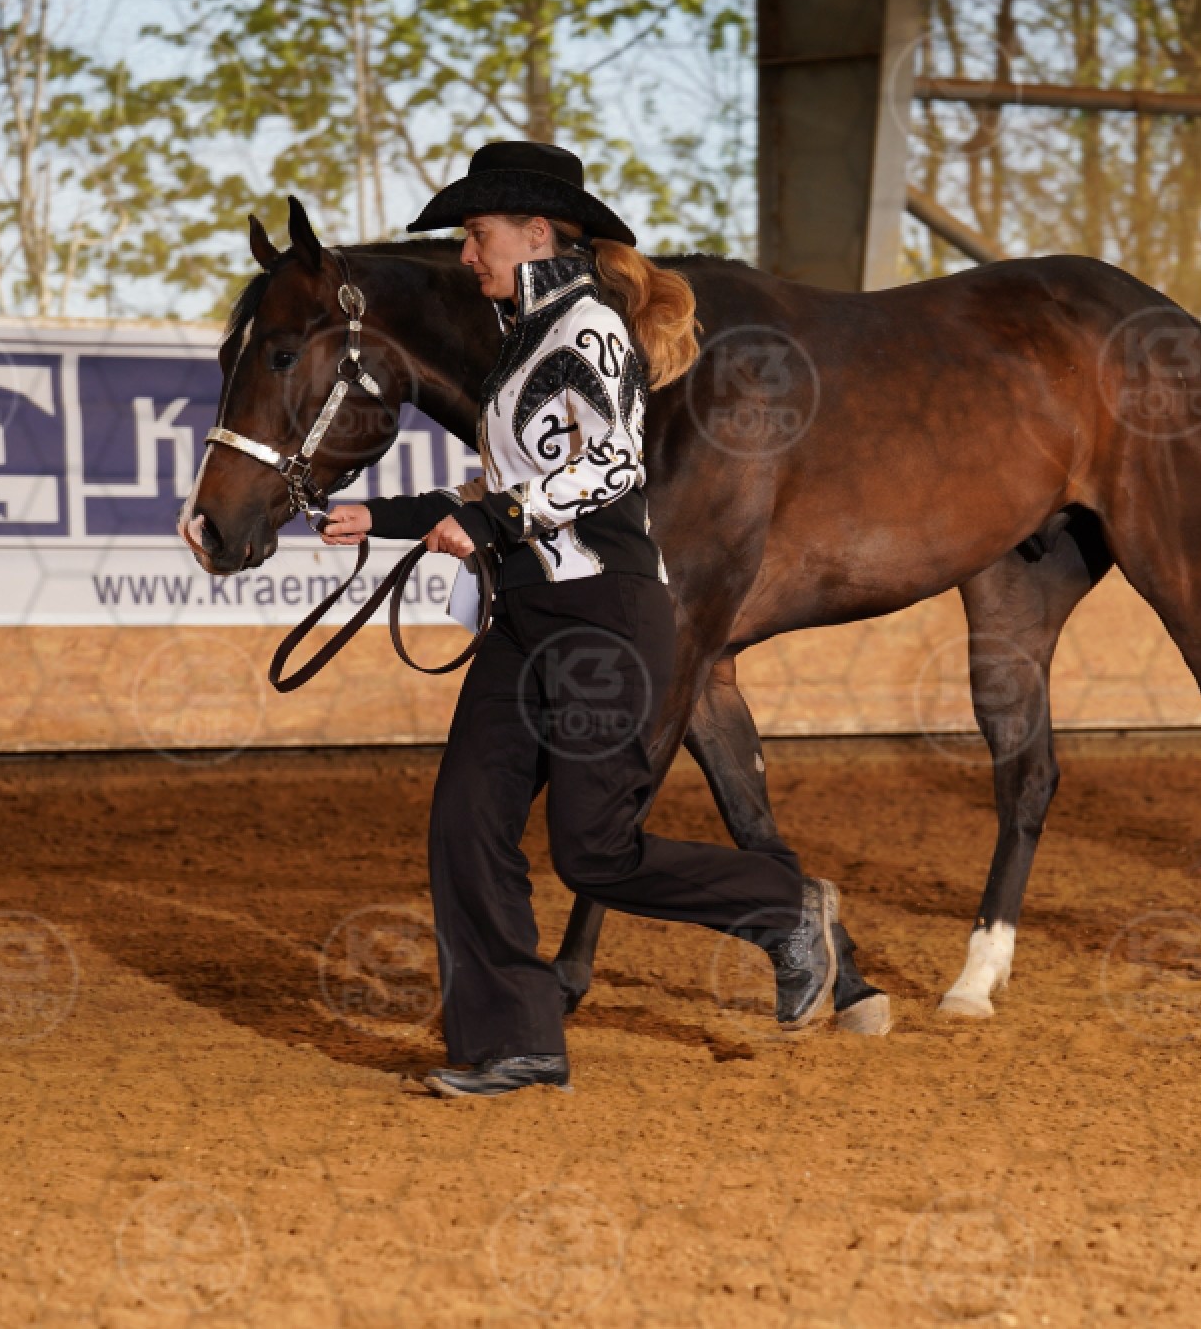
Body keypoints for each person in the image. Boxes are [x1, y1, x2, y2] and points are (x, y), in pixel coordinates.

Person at [317, 141, 842, 1096]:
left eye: (477, 234)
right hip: (524, 617)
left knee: (595, 852)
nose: (466, 254)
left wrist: (489, 522)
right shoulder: (523, 342)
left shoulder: (588, 327)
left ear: (537, 234)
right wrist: (383, 517)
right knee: (466, 824)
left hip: (602, 619)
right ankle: (516, 1043)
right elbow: (509, 485)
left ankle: (783, 905)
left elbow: (612, 467)